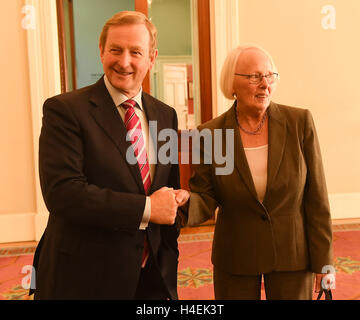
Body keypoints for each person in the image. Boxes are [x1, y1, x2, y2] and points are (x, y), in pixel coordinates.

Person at [29, 11, 189, 300]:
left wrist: (176, 202)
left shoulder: (166, 115)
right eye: (115, 49)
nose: (124, 61)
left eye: (135, 52)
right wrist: (149, 208)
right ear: (101, 52)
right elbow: (63, 194)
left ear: (152, 58)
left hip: (150, 275)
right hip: (84, 277)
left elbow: (167, 187)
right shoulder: (64, 111)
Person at [186, 44, 333, 300]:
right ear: (232, 84)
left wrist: (324, 262)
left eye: (270, 75)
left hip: (292, 254)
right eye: (254, 77)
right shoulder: (210, 134)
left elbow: (316, 199)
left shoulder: (299, 123)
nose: (265, 84)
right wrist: (184, 203)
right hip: (235, 254)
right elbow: (206, 197)